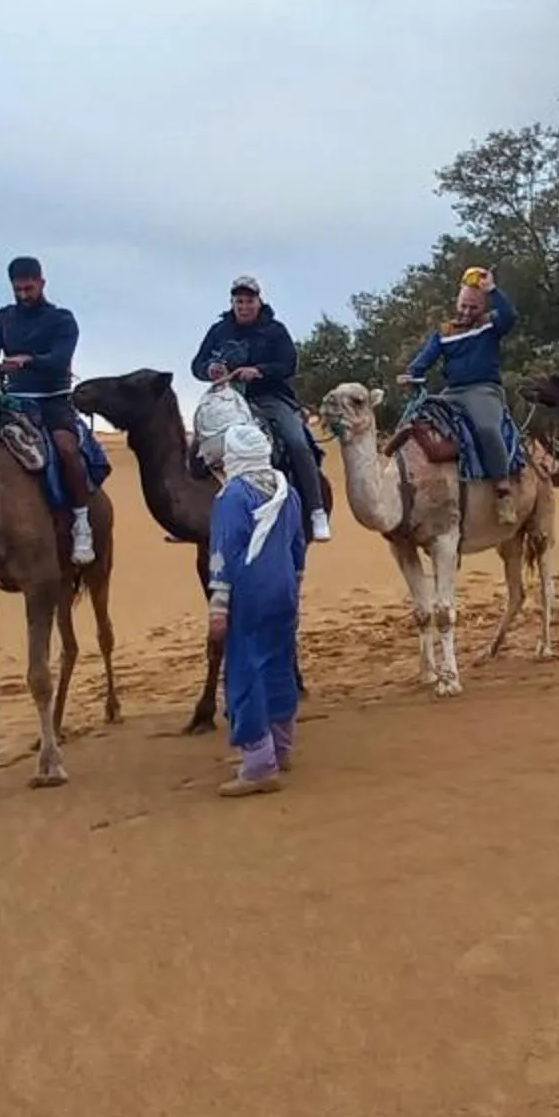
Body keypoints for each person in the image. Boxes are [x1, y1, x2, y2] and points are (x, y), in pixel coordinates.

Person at [199, 404, 305, 795]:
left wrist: (218, 607)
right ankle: (280, 748)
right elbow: (297, 549)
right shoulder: (286, 491)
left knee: (246, 671)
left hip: (250, 595)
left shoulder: (233, 497)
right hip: (284, 593)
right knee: (279, 664)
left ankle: (259, 765)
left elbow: (223, 553)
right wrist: (295, 587)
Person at [0, 255, 97, 565]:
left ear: (41, 283)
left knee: (67, 449)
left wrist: (28, 361)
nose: (24, 295)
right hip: (12, 401)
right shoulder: (4, 318)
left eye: (29, 288)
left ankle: (82, 524)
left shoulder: (62, 320)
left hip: (53, 400)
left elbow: (59, 358)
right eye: (18, 290)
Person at [191, 274, 333, 544]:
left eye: (249, 301)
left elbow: (288, 363)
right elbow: (197, 364)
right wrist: (210, 370)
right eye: (239, 301)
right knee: (198, 448)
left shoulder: (275, 330)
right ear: (233, 302)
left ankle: (316, 511)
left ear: (259, 301)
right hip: (227, 400)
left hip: (271, 398)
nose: (244, 306)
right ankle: (191, 518)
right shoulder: (219, 331)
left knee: (297, 442)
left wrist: (259, 371)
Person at [397, 265, 525, 522]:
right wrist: (411, 374)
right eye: (463, 305)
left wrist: (492, 290)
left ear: (483, 306)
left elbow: (510, 316)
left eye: (473, 307)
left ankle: (503, 491)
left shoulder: (491, 325)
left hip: (483, 390)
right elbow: (425, 359)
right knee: (413, 420)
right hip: (451, 392)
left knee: (488, 429)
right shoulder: (444, 333)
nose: (466, 312)